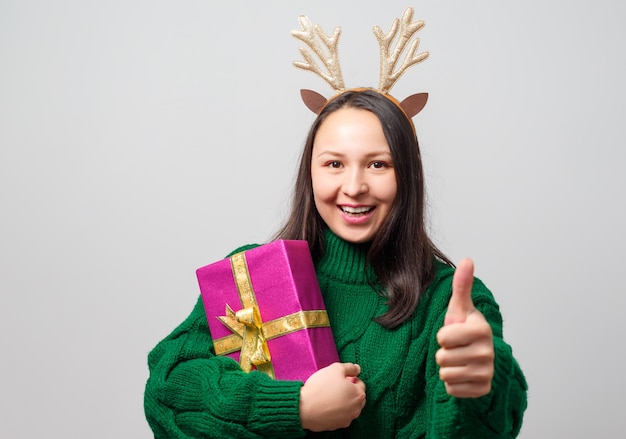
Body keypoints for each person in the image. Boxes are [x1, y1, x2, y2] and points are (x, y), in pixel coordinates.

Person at [143, 88, 528, 438]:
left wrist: (480, 387)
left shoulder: (449, 302)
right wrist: (295, 408)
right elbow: (166, 392)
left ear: (408, 175)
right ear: (309, 171)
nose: (354, 186)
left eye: (379, 165)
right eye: (334, 164)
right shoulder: (250, 273)